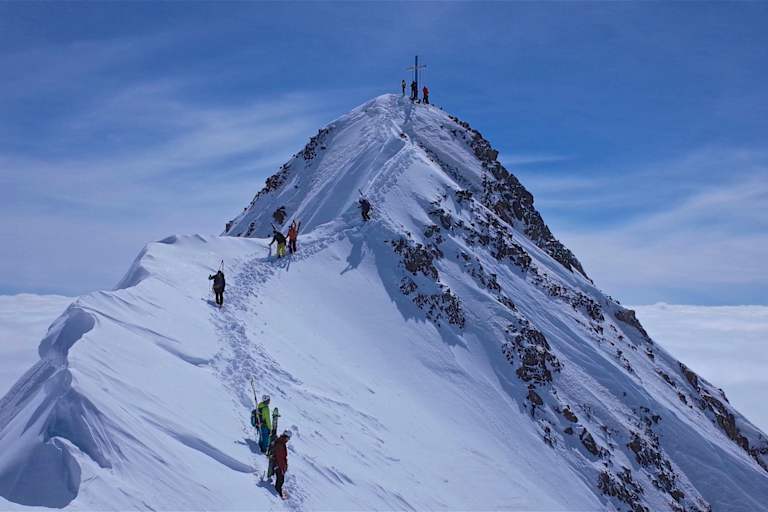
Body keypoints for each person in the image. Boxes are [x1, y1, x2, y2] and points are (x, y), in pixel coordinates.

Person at [272, 430, 292, 500]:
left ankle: (278, 492)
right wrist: (283, 468)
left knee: (280, 480)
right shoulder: (280, 444)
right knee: (280, 480)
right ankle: (278, 494)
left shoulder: (282, 442)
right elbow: (280, 457)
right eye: (288, 438)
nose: (288, 440)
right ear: (286, 437)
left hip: (279, 464)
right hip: (278, 465)